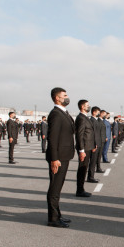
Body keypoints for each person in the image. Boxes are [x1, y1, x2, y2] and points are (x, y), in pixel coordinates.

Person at [46, 88, 75, 228]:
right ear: (57, 98)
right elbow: (52, 138)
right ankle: (53, 218)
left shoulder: (64, 112)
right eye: (65, 96)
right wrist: (54, 158)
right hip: (58, 158)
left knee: (58, 187)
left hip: (64, 155)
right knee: (55, 188)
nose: (67, 97)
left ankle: (58, 214)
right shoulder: (56, 114)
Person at [75, 99, 97, 197]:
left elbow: (89, 133)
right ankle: (80, 190)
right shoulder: (81, 118)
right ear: (82, 107)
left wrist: (93, 144)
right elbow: (79, 135)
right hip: (84, 148)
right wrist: (81, 150)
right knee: (82, 169)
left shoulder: (85, 117)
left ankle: (81, 188)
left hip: (88, 146)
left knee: (84, 168)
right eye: (87, 105)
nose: (89, 106)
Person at [89, 106, 104, 176]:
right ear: (94, 112)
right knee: (93, 161)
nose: (99, 113)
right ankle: (91, 176)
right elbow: (93, 133)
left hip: (98, 142)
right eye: (98, 112)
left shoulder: (96, 120)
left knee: (95, 159)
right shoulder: (92, 120)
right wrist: (94, 144)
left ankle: (92, 175)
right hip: (95, 144)